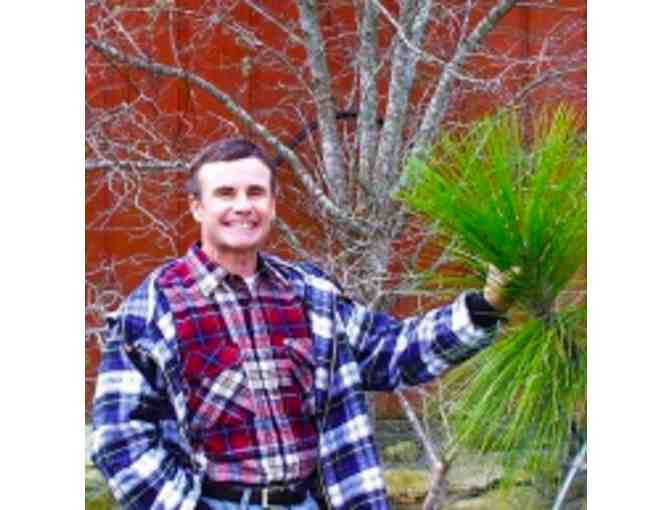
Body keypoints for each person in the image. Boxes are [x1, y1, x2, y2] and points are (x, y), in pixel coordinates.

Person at [91, 138, 513, 510]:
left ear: (273, 205)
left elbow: (392, 351)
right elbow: (117, 440)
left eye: (256, 192)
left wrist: (486, 307)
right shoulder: (154, 307)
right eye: (225, 193)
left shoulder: (311, 294)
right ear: (197, 207)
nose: (243, 206)